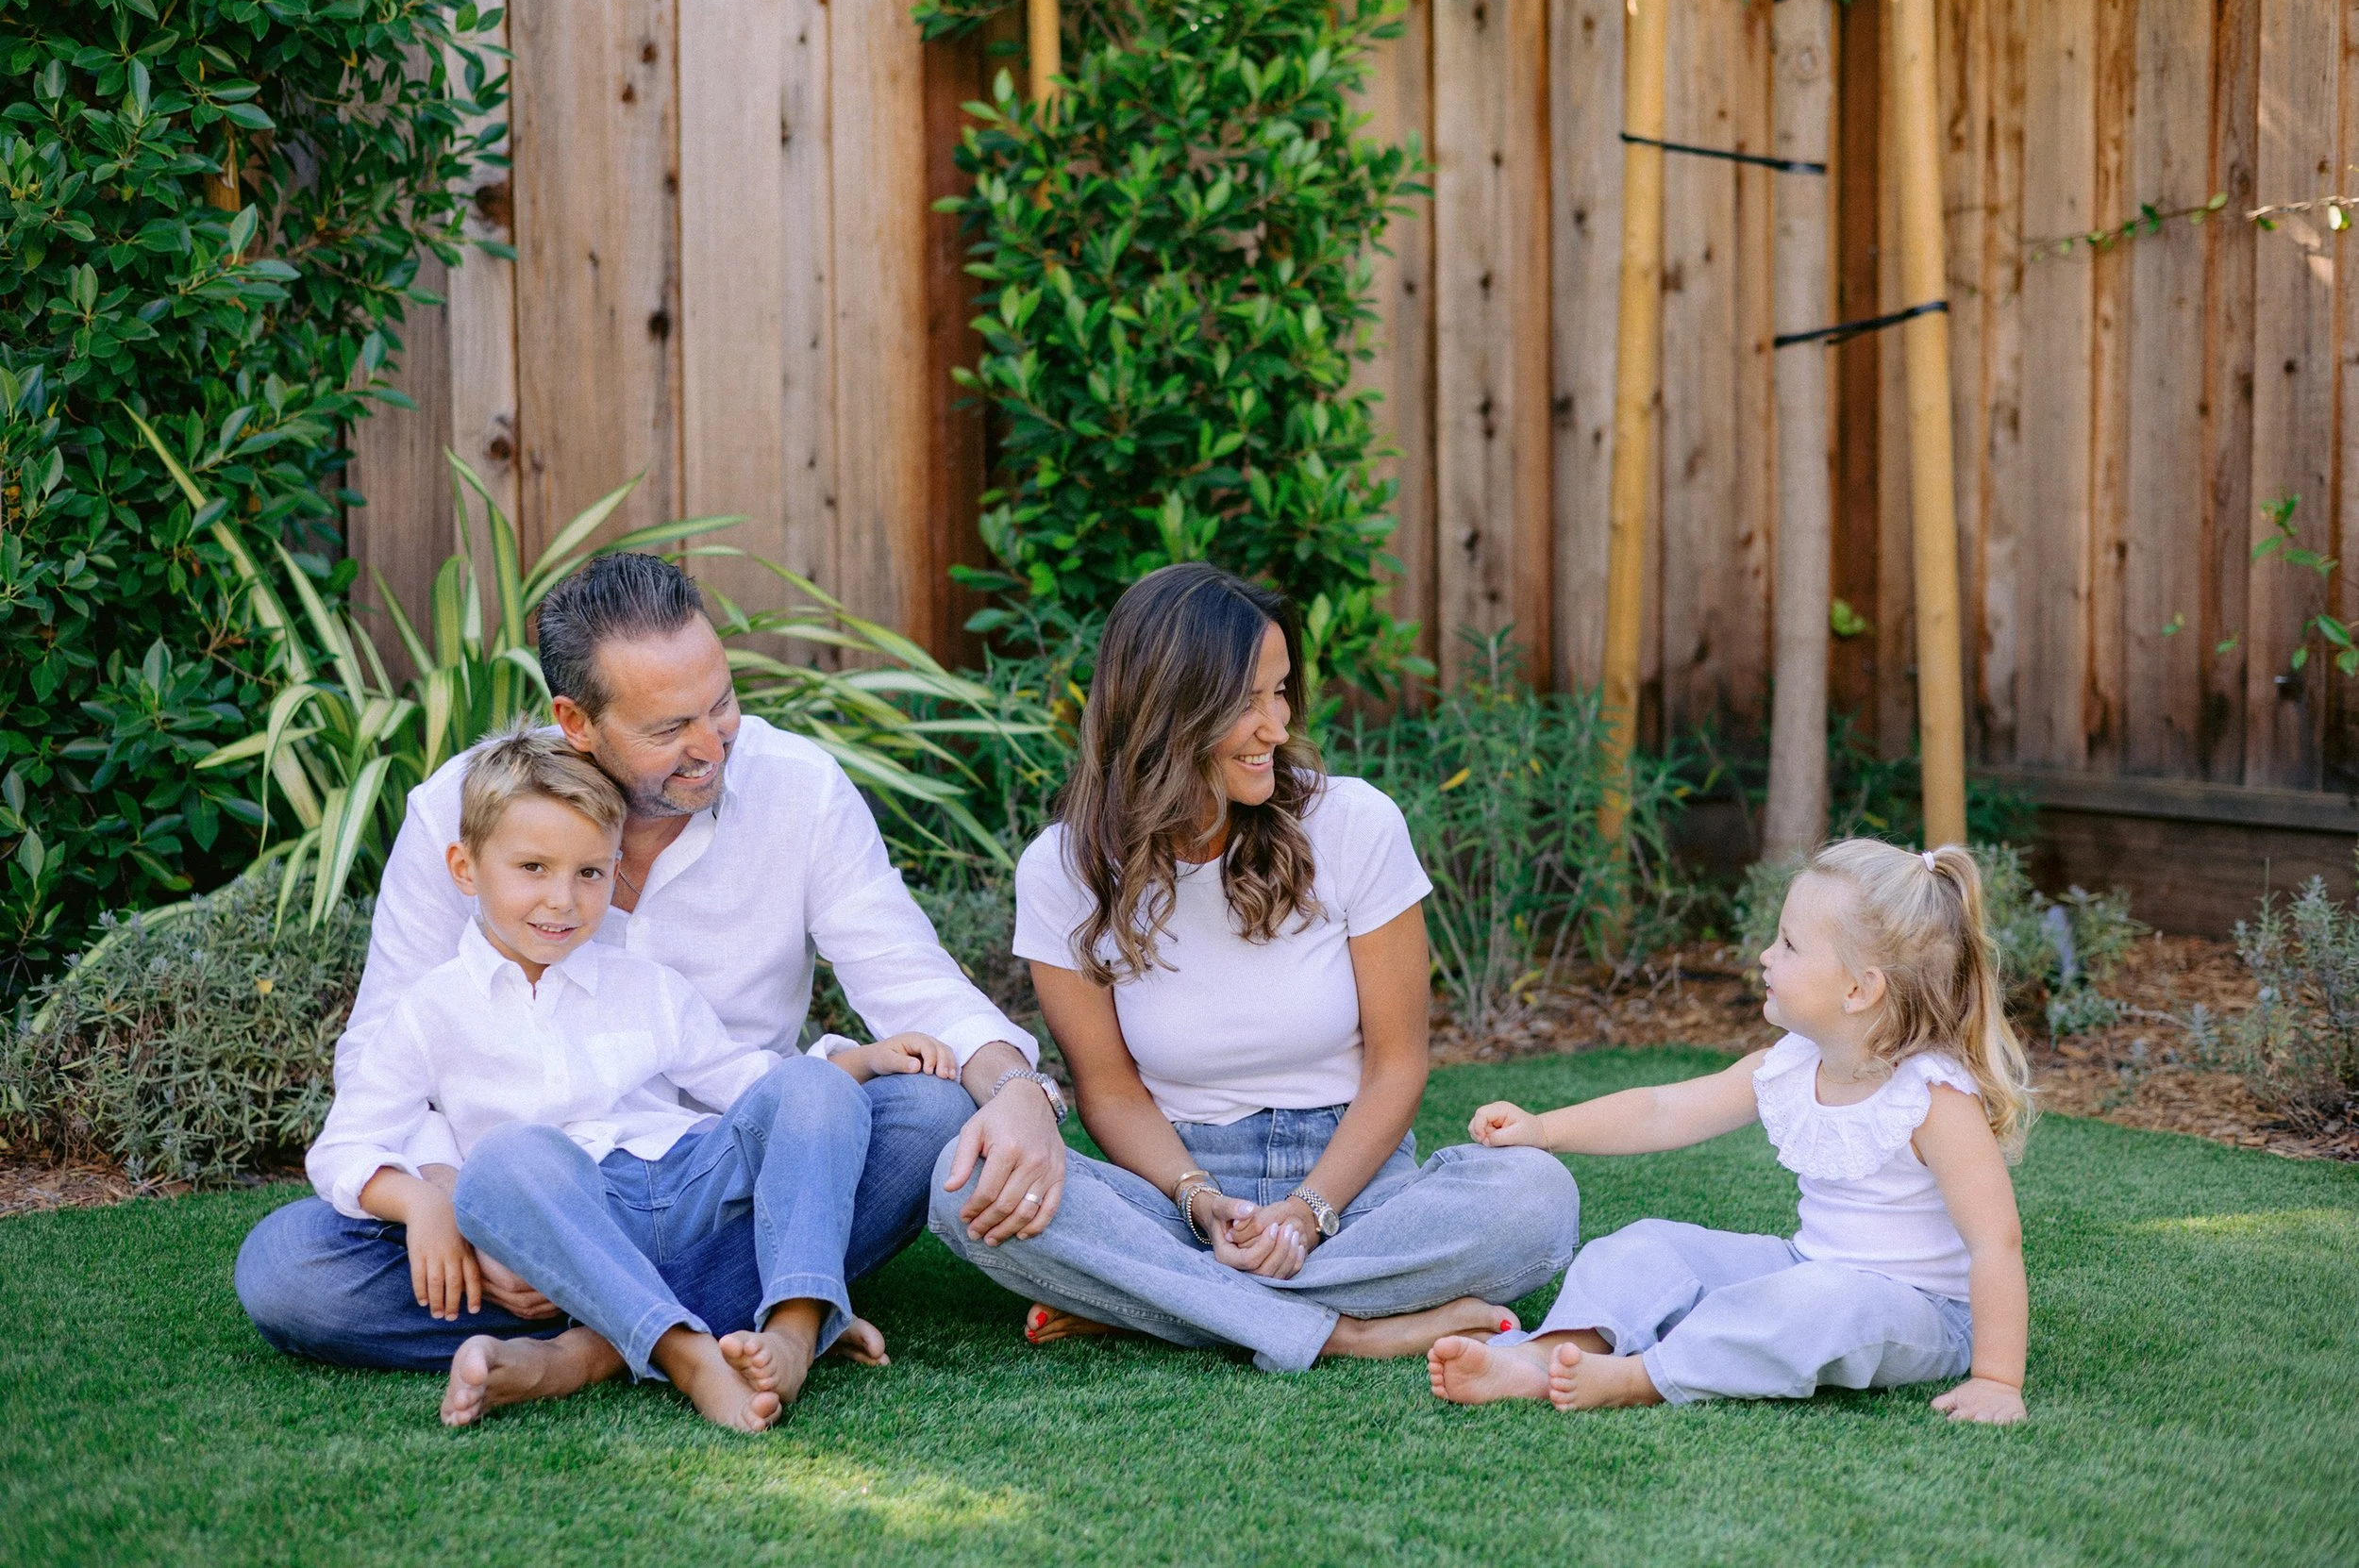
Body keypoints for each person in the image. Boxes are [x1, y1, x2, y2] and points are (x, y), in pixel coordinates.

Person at [237, 554, 1067, 1395]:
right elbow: (381, 1058)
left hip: (725, 1183)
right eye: (670, 729)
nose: (712, 747)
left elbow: (910, 983)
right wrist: (458, 1210)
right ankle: (760, 1303)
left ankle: (593, 1346)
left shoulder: (800, 789)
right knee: (287, 1269)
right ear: (577, 721)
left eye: (723, 704)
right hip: (525, 1198)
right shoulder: (464, 811)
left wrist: (1017, 1088)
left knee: (925, 1110)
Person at [929, 562, 1581, 1371]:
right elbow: (1109, 1089)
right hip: (1179, 1191)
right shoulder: (1062, 870)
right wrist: (1201, 1199)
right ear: (1169, 709)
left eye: (1280, 693)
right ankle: (1348, 1329)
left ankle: (1163, 1302)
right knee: (963, 1190)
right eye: (1248, 701)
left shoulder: (1352, 823)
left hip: (1356, 1186)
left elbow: (1398, 1067)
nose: (1276, 725)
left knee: (1537, 1200)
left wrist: (1308, 1214)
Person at [310, 726, 963, 1429]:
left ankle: (794, 1324)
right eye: (533, 868)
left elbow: (752, 1086)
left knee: (818, 1087)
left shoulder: (648, 986)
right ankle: (684, 1349)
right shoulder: (428, 1010)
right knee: (498, 1163)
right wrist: (421, 1202)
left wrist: (855, 1063)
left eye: (590, 873)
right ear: (465, 869)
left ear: (613, 870)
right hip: (564, 1219)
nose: (562, 899)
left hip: (684, 1186)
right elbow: (343, 1145)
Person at [1428, 838, 2034, 1424]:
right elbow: (1664, 1109)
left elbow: (1996, 1242)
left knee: (1821, 1302)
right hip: (1807, 1267)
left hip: (1921, 1313)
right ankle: (1545, 1354)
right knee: (1647, 1245)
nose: (1768, 955)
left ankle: (1644, 1377)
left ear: (1859, 989)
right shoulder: (1796, 1063)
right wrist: (1543, 1129)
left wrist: (1995, 1379)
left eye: (1790, 945)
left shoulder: (1933, 1099)